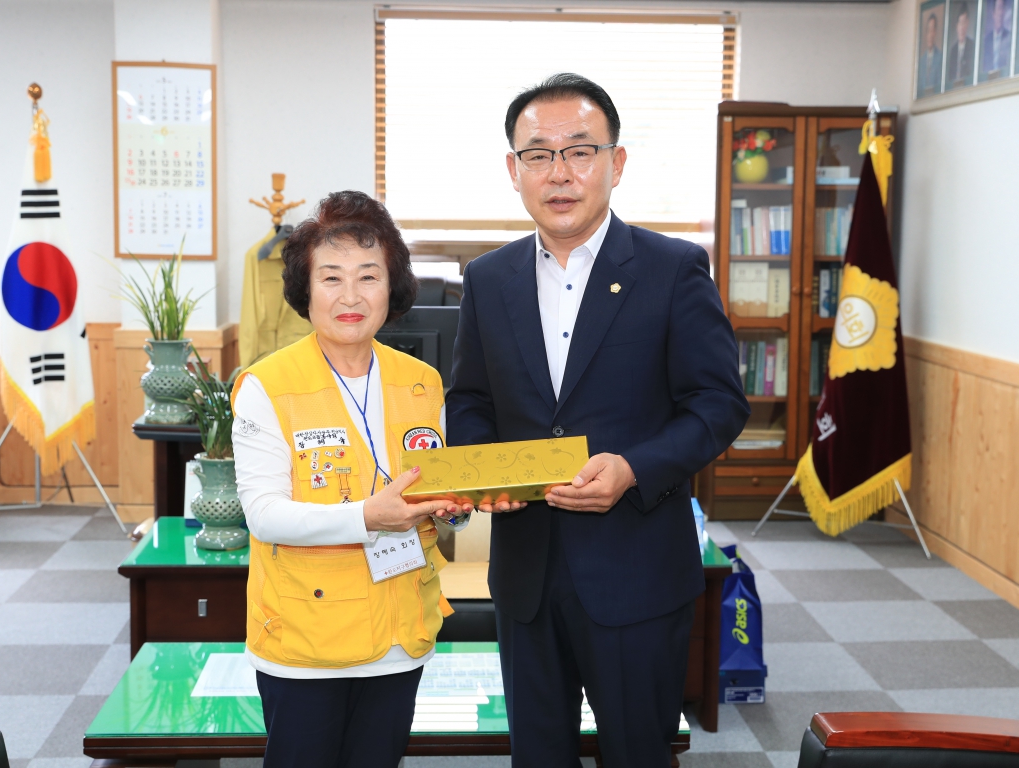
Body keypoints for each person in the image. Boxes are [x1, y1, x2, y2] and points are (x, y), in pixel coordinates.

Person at [447, 73, 749, 767]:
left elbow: (717, 405)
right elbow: (470, 400)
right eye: (538, 154)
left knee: (638, 753)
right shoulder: (489, 279)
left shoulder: (673, 269)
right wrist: (481, 468)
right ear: (512, 170)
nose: (559, 172)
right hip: (525, 572)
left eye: (580, 151)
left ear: (616, 163)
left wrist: (635, 468)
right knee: (537, 755)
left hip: (636, 568)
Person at [231, 190, 470, 768]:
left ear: (393, 287)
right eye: (331, 277)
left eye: (369, 276)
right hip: (306, 643)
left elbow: (431, 484)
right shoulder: (267, 386)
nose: (351, 296)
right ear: (304, 289)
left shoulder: (421, 382)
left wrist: (458, 505)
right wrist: (368, 516)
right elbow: (264, 514)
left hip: (398, 633)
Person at [981, 0, 1012, 79]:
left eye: (1002, 9)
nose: (1000, 13)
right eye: (998, 8)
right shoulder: (985, 41)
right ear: (993, 13)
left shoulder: (1010, 38)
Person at [947, 4, 976, 88]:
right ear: (956, 26)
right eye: (960, 23)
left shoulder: (972, 47)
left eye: (964, 23)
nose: (962, 27)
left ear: (968, 24)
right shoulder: (952, 51)